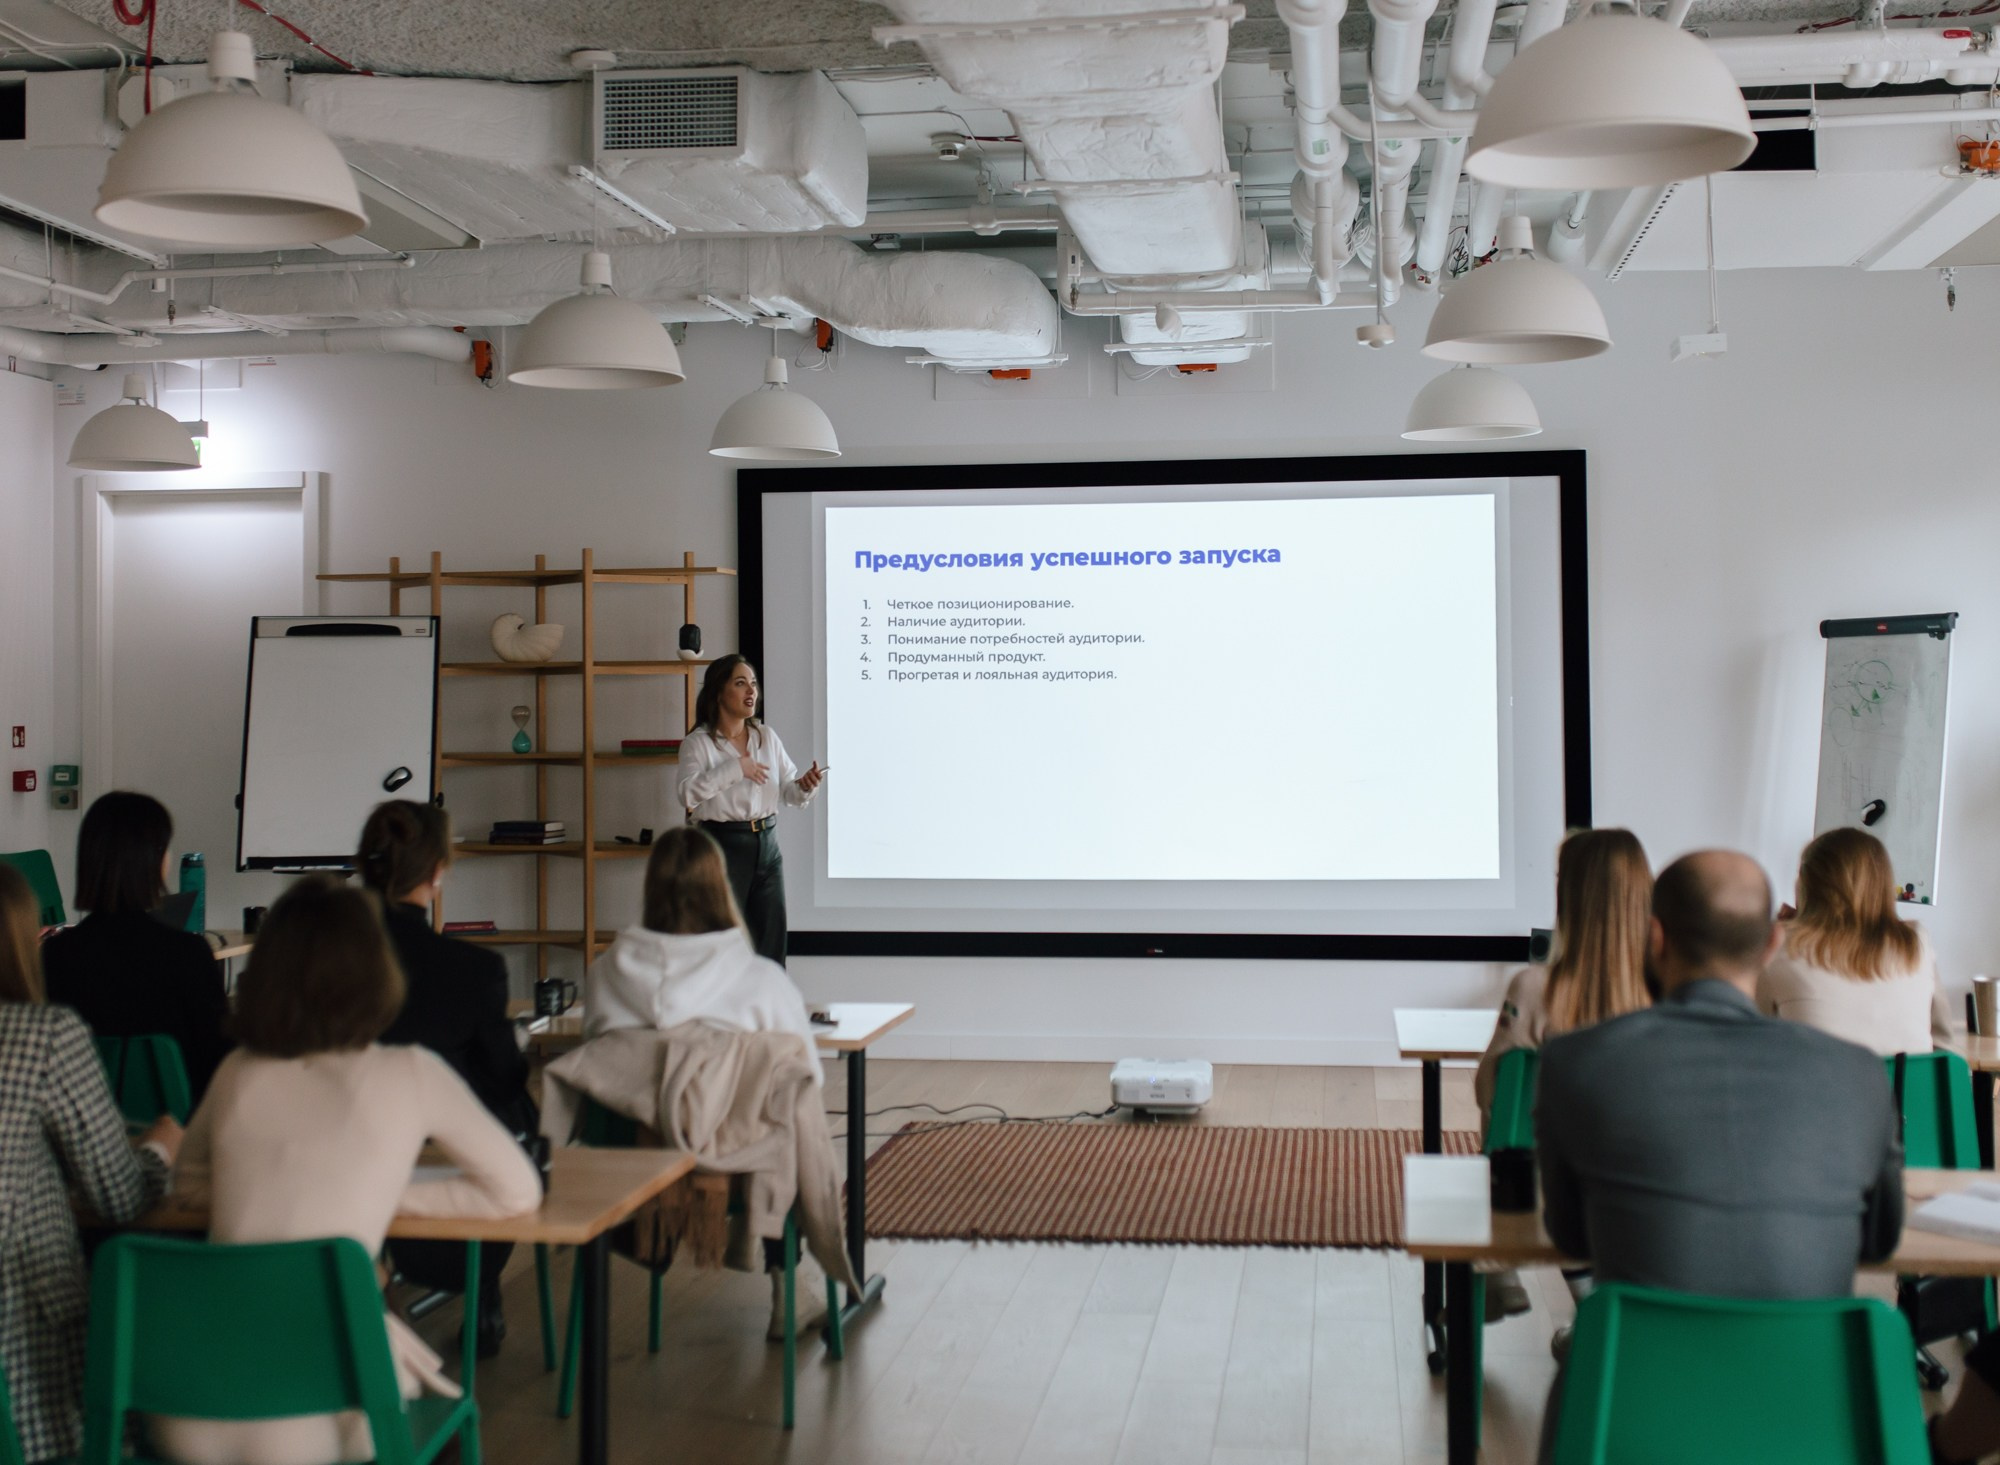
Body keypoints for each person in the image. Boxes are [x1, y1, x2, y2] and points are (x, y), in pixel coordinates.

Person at [156, 877, 541, 1465]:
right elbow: (517, 1191)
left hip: (188, 1402)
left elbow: (185, 1187)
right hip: (317, 1408)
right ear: (377, 969)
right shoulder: (411, 1071)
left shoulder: (238, 1070)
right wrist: (383, 1195)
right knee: (449, 1432)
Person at [1536, 849, 1903, 1299]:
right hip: (1806, 1366)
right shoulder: (1859, 1073)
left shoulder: (1574, 1062)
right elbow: (1880, 1239)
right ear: (1772, 943)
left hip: (1642, 1363)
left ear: (1653, 937)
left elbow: (1571, 1237)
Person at [583, 825, 826, 1337]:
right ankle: (788, 1288)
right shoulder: (762, 981)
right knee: (787, 1118)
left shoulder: (605, 974)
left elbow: (596, 1064)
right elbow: (809, 1080)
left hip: (630, 1161)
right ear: (723, 887)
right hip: (740, 1168)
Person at [0, 861, 180, 1464]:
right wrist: (159, 1148)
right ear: (26, 942)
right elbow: (119, 1197)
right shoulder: (42, 1035)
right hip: (29, 1372)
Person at [358, 799, 537, 1359]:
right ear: (438, 873)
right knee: (517, 1116)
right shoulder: (475, 970)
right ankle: (483, 1292)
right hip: (442, 1186)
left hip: (341, 1168)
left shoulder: (319, 966)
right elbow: (504, 1082)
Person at [1472, 827, 1652, 1321]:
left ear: (1569, 894)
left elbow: (1489, 1092)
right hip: (1650, 1179)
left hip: (1546, 1184)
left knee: (1509, 1133)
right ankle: (1590, 1306)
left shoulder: (1533, 987)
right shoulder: (1668, 989)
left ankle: (1501, 1271)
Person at [42, 791, 231, 1101]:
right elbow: (217, 1065)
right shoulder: (189, 955)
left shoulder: (55, 956)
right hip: (178, 1136)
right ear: (155, 859)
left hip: (81, 1134)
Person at [676, 655, 825, 966]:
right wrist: (736, 768)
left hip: (767, 846)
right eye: (741, 683)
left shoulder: (765, 736)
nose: (751, 692)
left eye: (754, 684)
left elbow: (788, 791)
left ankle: (769, 1013)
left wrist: (806, 785)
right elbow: (687, 794)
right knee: (725, 948)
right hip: (722, 847)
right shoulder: (699, 743)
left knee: (771, 947)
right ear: (719, 692)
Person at [1756, 826, 1954, 1056]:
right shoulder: (1915, 942)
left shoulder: (1779, 946)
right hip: (1906, 1090)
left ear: (1806, 885)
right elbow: (1944, 1045)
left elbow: (1748, 1036)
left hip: (1819, 1090)